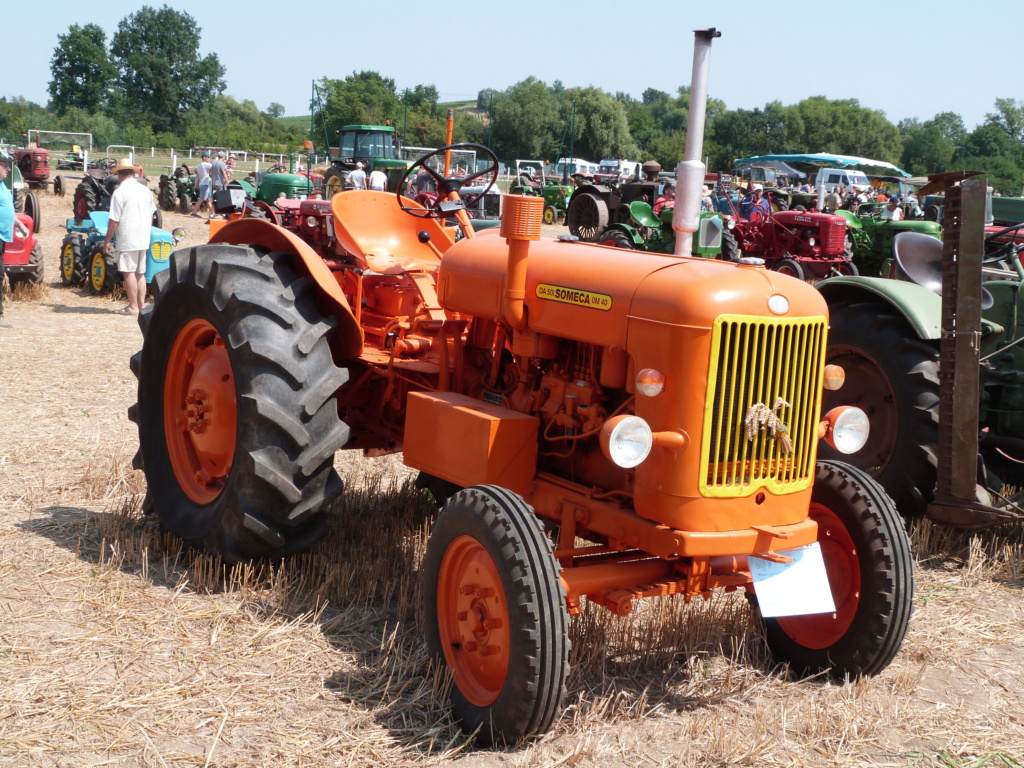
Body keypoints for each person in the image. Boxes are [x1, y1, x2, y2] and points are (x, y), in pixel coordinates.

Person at [102, 158, 156, 316]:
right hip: (143, 237)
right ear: (133, 173)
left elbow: (114, 220)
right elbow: (152, 215)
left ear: (119, 174)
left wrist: (107, 241)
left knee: (128, 273)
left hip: (128, 237)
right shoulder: (145, 190)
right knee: (140, 273)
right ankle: (141, 305)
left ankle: (133, 307)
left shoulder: (120, 192)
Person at [0, 153, 31, 329]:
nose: (8, 169)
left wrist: (19, 224)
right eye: (5, 165)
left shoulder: (3, 185)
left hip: (3, 237)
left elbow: (8, 210)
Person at [190, 152, 212, 217]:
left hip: (202, 183)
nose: (209, 158)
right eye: (208, 157)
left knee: (208, 199)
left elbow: (196, 171)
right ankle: (193, 213)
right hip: (205, 184)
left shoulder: (199, 165)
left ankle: (212, 213)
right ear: (204, 158)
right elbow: (214, 167)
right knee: (201, 199)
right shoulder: (206, 164)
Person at [209, 152, 229, 216]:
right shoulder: (222, 164)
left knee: (215, 199)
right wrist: (227, 181)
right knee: (221, 198)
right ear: (223, 156)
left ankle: (213, 212)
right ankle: (222, 213)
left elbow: (211, 174)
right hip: (220, 183)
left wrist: (213, 183)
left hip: (214, 183)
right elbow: (224, 173)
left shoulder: (214, 163)